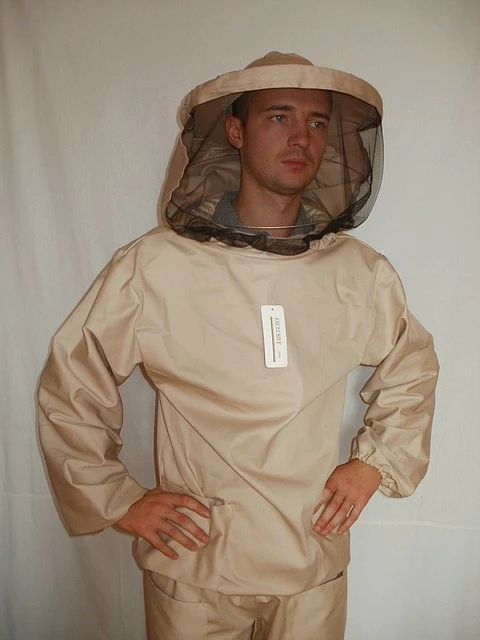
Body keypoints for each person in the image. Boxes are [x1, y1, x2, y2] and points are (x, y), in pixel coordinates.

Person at [37, 52, 439, 639]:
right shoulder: (155, 266)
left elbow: (412, 366)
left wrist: (373, 464)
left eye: (318, 121)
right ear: (235, 130)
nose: (301, 137)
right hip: (195, 562)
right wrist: (117, 497)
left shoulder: (358, 272)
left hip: (311, 556)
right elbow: (74, 378)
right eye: (279, 116)